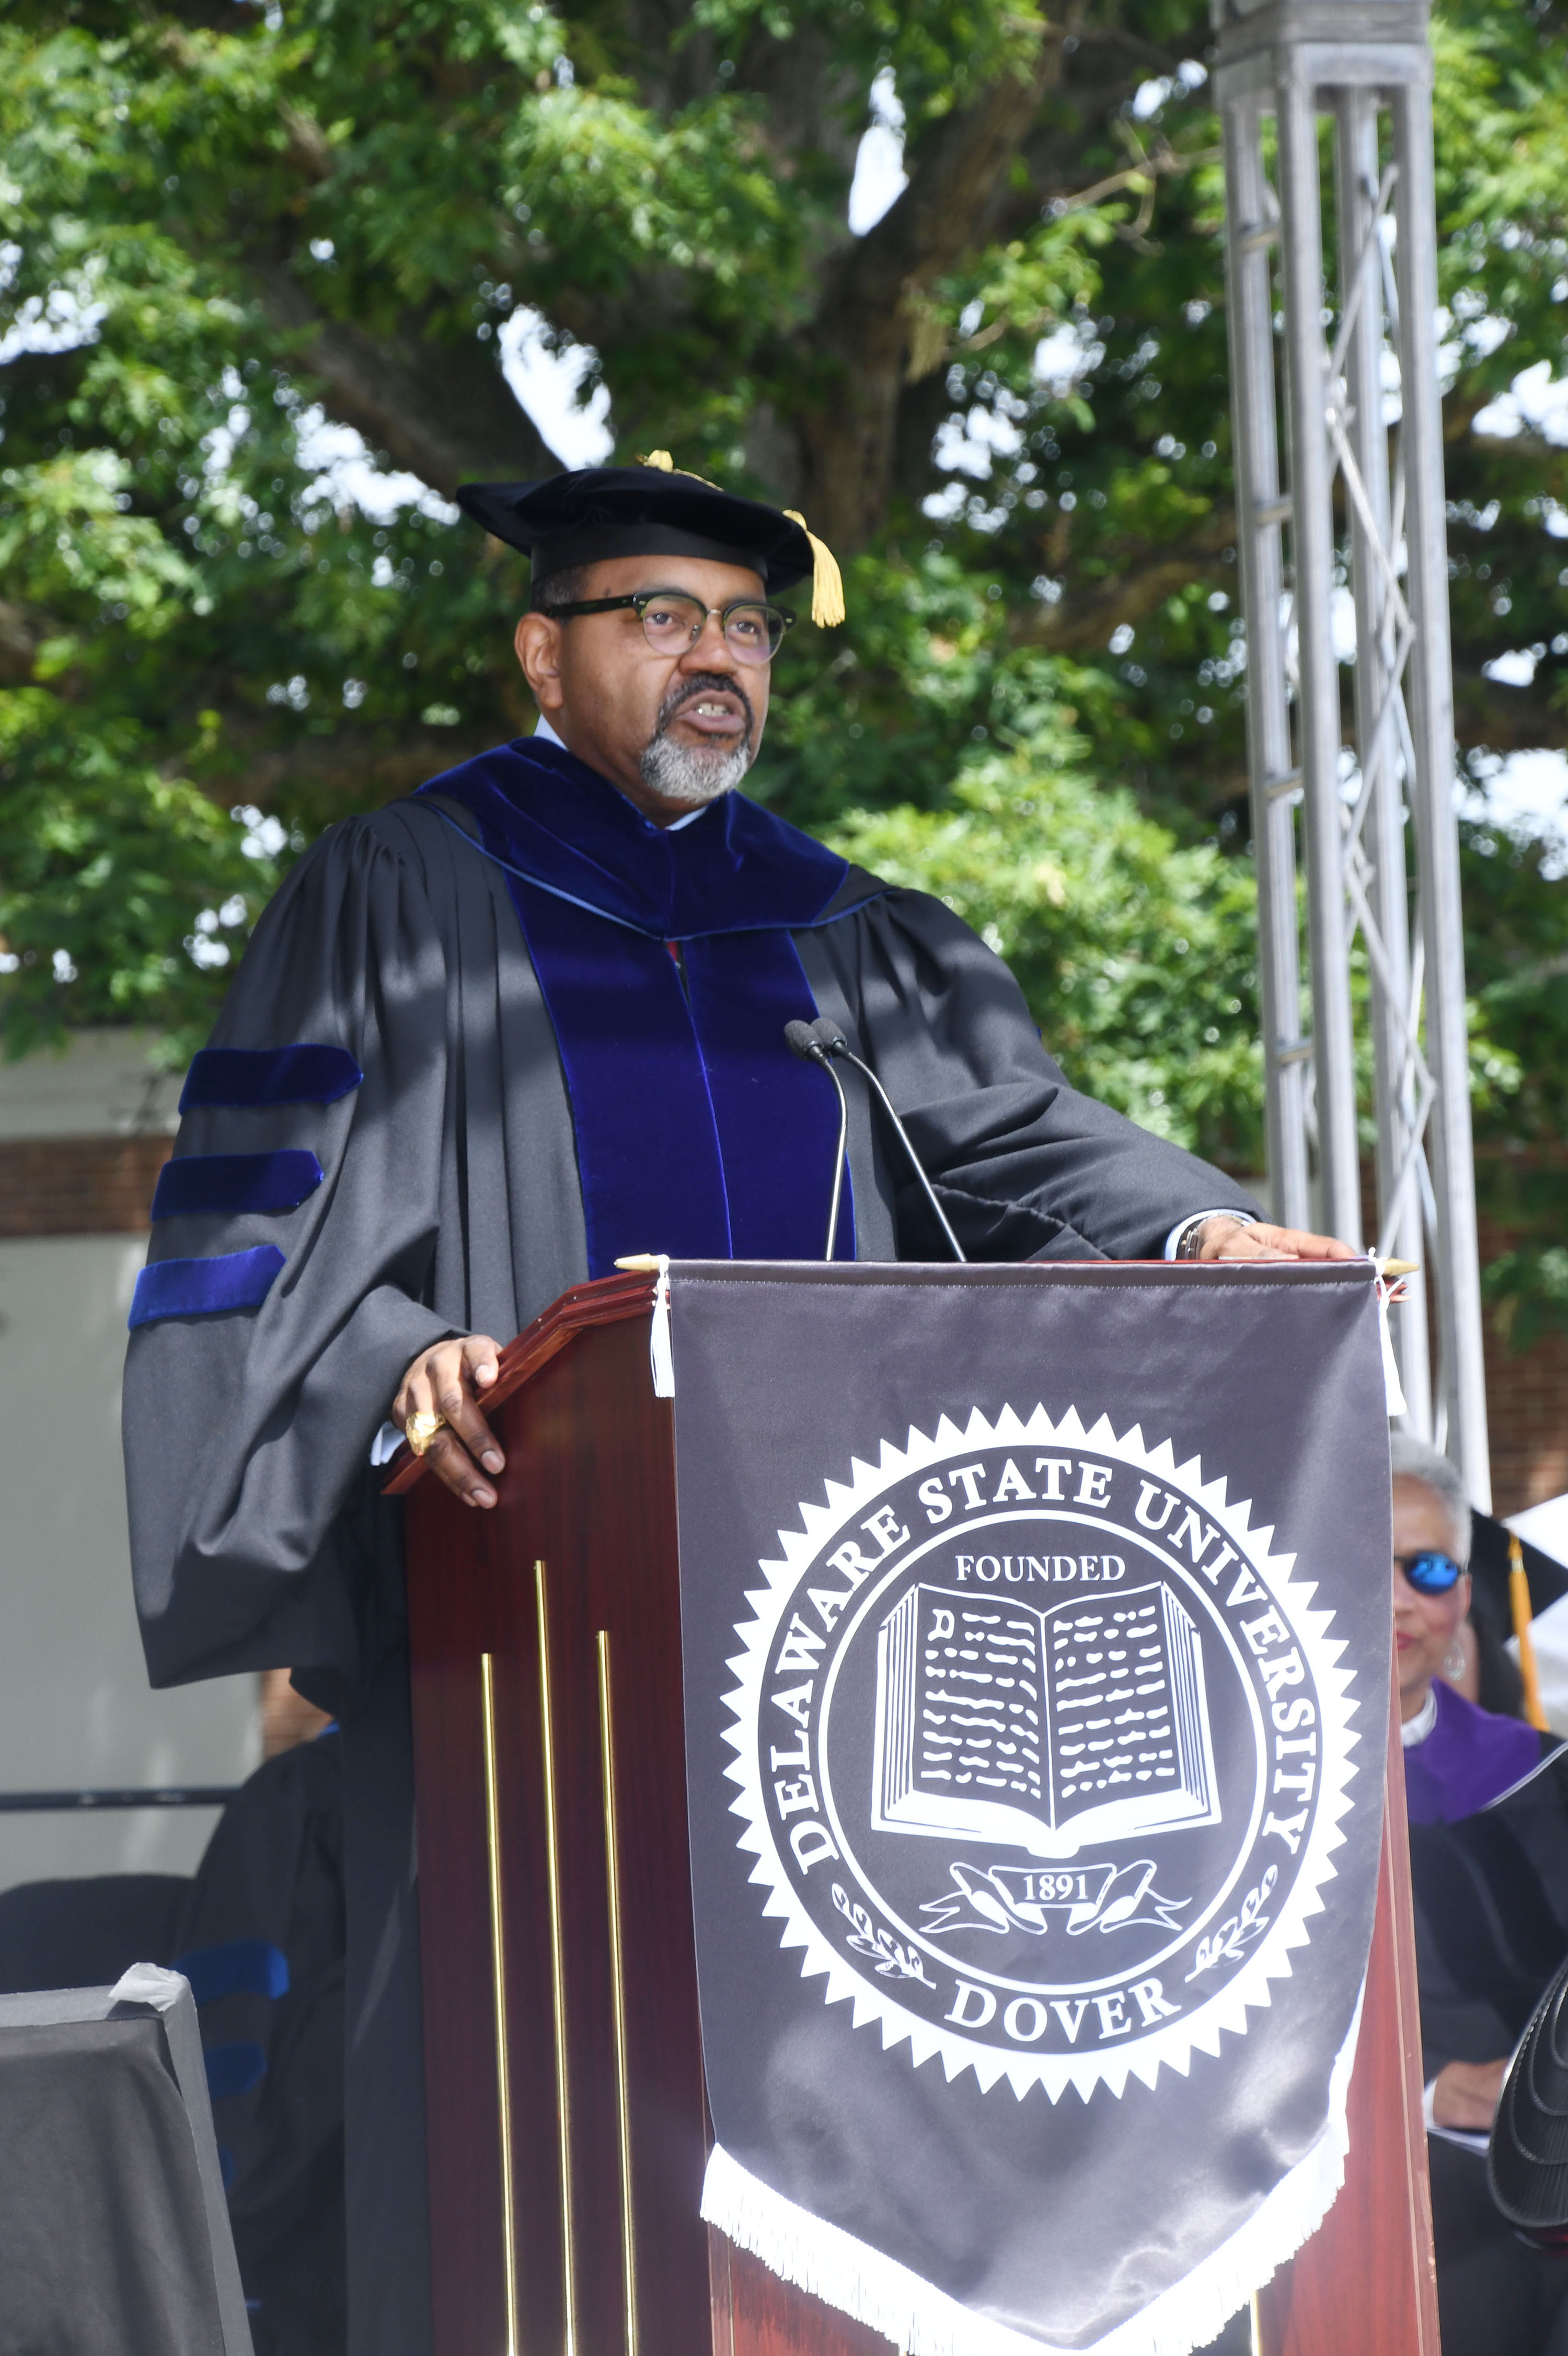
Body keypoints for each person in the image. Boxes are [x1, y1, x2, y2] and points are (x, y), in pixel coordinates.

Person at [122, 458, 1353, 2356]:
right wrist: (396, 1364)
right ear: (547, 649)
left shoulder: (849, 931)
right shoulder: (399, 889)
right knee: (524, 2197)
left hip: (831, 1689)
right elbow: (262, 1224)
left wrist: (1202, 1222)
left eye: (751, 627)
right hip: (515, 1683)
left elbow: (1016, 1139)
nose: (722, 661)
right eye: (666, 617)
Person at [1394, 1432, 1568, 2356]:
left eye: (1425, 1568)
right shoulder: (1244, 1806)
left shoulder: (1538, 1776)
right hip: (1388, 2229)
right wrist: (1422, 2099)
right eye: (1362, 1558)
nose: (1395, 1598)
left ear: (1464, 1593)